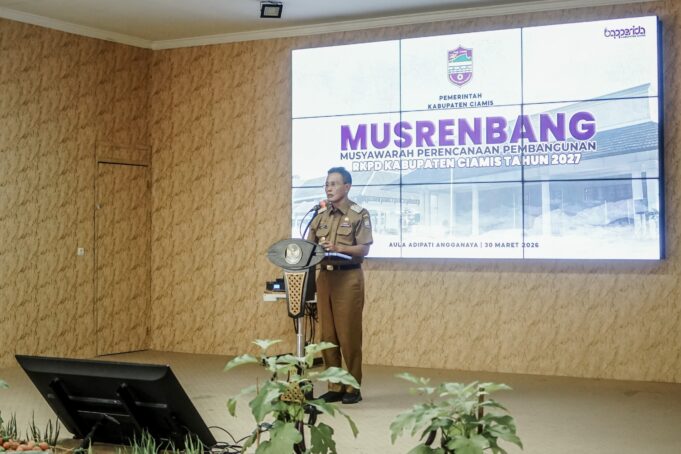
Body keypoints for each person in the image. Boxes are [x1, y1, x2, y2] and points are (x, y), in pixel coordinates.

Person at [307, 167, 372, 404]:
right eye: (327, 184)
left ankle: (353, 388)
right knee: (327, 335)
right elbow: (309, 247)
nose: (329, 188)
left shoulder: (358, 214)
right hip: (325, 278)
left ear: (347, 186)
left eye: (334, 184)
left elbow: (364, 249)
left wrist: (339, 248)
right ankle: (334, 385)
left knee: (348, 335)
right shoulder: (320, 216)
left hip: (348, 278)